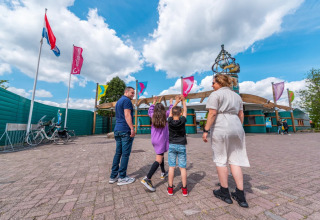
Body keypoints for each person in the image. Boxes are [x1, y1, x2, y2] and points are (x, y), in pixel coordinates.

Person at [202, 74, 250, 208]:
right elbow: (241, 114)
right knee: (235, 160)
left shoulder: (215, 95)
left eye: (213, 83)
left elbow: (212, 113)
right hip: (236, 125)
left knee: (221, 159)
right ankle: (240, 195)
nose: (212, 85)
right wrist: (238, 128)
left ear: (219, 83)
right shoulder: (237, 96)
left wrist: (205, 130)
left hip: (222, 125)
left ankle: (224, 191)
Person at [141, 97, 173, 191]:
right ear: (163, 110)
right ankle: (148, 178)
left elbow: (150, 110)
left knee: (161, 155)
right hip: (161, 140)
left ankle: (163, 172)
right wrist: (171, 103)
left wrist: (153, 102)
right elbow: (171, 110)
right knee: (158, 159)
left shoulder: (152, 115)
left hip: (154, 140)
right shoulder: (165, 115)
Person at [109, 87, 136, 186]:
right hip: (125, 130)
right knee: (125, 154)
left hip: (117, 129)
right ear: (126, 92)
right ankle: (122, 177)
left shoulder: (119, 101)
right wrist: (132, 129)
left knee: (118, 153)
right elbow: (127, 115)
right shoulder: (127, 101)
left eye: (134, 93)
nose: (133, 95)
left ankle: (113, 176)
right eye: (132, 93)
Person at [167, 95, 188, 196]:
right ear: (180, 114)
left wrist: (175, 102)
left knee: (171, 167)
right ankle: (184, 189)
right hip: (181, 145)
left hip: (172, 145)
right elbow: (185, 111)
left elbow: (171, 111)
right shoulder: (182, 120)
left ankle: (170, 189)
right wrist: (183, 102)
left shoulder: (169, 121)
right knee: (182, 168)